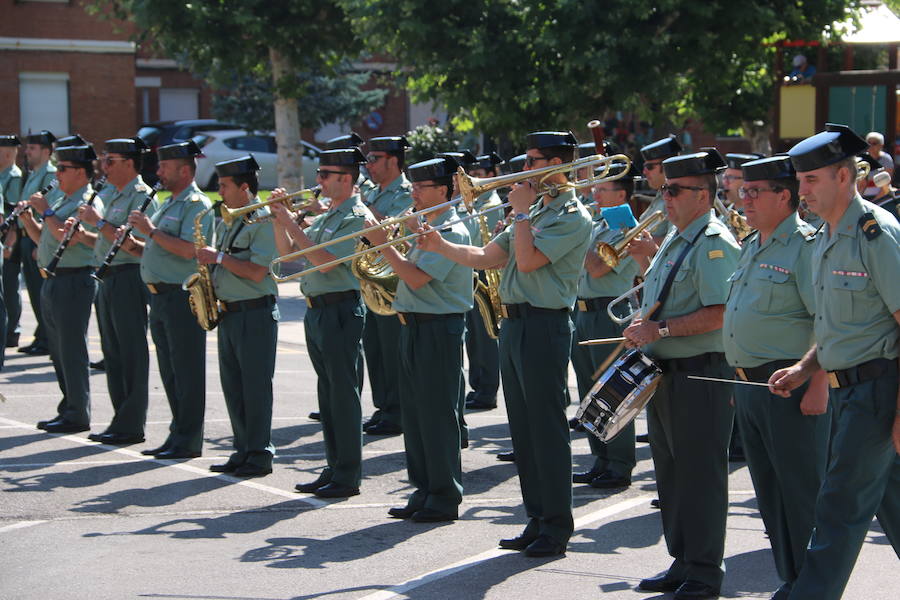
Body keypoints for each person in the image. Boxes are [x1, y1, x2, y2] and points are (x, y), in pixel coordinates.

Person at [418, 130, 593, 557]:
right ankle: (536, 517)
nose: (525, 169)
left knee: (547, 431)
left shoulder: (573, 216)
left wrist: (519, 216)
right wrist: (441, 244)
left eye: (533, 161)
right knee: (524, 432)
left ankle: (556, 525)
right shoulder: (532, 210)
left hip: (545, 326)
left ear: (557, 165)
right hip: (513, 326)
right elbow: (485, 258)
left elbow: (530, 262)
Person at [769, 123, 900, 600]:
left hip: (878, 390)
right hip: (852, 389)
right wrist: (806, 368)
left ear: (844, 178)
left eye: (811, 181)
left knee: (840, 503)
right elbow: (840, 326)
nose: (801, 191)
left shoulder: (874, 235)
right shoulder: (827, 236)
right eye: (799, 181)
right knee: (892, 500)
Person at [624, 149, 740, 599]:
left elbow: (722, 312)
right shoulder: (678, 237)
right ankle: (683, 559)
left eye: (674, 190)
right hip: (668, 370)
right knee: (671, 473)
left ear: (704, 195)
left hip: (701, 372)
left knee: (700, 474)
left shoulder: (713, 240)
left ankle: (706, 571)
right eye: (664, 189)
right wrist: (642, 326)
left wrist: (662, 328)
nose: (665, 197)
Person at [722, 155, 831, 600]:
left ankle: (814, 587)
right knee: (769, 493)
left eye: (753, 191)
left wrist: (818, 384)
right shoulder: (753, 244)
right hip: (751, 385)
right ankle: (792, 580)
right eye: (742, 190)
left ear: (784, 196)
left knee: (801, 493)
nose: (742, 198)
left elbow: (828, 320)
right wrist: (738, 380)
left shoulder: (805, 247)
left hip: (792, 386)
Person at [365, 155, 473, 522]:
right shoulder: (424, 227)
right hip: (413, 325)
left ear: (442, 191)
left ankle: (444, 495)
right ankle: (424, 488)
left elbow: (414, 278)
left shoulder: (452, 232)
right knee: (415, 414)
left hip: (438, 328)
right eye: (412, 186)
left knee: (437, 415)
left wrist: (384, 245)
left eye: (420, 187)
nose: (413, 192)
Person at [271, 147, 371, 498]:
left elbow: (325, 262)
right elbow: (288, 257)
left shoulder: (355, 216)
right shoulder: (329, 214)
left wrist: (288, 222)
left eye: (325, 174)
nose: (318, 181)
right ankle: (334, 467)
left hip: (341, 309)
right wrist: (277, 220)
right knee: (327, 395)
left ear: (346, 178)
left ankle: (347, 474)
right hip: (318, 310)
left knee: (343, 395)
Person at [128, 140, 212, 460]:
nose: (158, 171)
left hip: (182, 296)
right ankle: (178, 433)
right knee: (170, 371)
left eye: (164, 167)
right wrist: (132, 243)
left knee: (187, 370)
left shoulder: (197, 204)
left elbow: (191, 251)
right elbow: (157, 247)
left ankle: (189, 439)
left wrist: (149, 232)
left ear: (185, 170)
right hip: (159, 298)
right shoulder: (167, 202)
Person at [197, 155, 279, 477]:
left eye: (225, 185)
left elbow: (258, 272)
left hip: (254, 313)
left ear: (244, 187)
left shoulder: (261, 220)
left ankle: (259, 454)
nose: (219, 191)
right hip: (230, 314)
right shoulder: (231, 219)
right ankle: (243, 449)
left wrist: (218, 258)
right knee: (234, 388)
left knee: (255, 388)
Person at [73, 138, 154, 445]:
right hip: (107, 275)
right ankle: (121, 418)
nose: (103, 167)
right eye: (103, 161)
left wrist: (99, 222)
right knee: (113, 353)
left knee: (131, 351)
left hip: (129, 275)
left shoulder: (142, 195)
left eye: (110, 161)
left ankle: (132, 422)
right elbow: (106, 239)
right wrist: (86, 234)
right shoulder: (113, 194)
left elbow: (130, 243)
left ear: (129, 164)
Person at [22, 143, 102, 433]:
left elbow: (63, 233)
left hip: (74, 279)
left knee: (71, 350)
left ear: (80, 172)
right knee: (57, 351)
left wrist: (43, 211)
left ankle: (78, 412)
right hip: (53, 279)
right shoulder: (62, 197)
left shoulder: (88, 200)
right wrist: (28, 219)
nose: (57, 173)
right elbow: (45, 235)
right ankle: (68, 406)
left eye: (63, 169)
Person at [571, 162, 641, 490]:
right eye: (595, 188)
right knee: (588, 391)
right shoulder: (598, 225)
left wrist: (578, 232)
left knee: (612, 390)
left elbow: (598, 269)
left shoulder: (628, 228)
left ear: (622, 194)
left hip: (609, 315)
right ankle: (600, 457)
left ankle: (620, 461)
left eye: (602, 189)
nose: (594, 193)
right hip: (584, 313)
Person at [360, 135, 412, 436]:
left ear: (393, 160)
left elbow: (395, 228)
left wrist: (362, 209)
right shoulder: (374, 192)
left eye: (374, 158)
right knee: (375, 350)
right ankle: (384, 407)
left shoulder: (405, 192)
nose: (369, 165)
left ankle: (398, 410)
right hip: (371, 281)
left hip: (393, 280)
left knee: (392, 351)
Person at [461, 152, 504, 411]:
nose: (474, 178)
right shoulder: (476, 203)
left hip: (485, 272)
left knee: (485, 335)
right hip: (473, 270)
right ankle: (478, 385)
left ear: (491, 176)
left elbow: (478, 238)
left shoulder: (489, 205)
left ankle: (487, 389)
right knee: (474, 336)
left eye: (479, 174)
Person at [16, 130, 57, 356]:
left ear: (46, 151)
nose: (27, 151)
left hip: (37, 238)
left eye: (32, 148)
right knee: (34, 291)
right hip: (27, 236)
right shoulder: (34, 173)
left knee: (41, 292)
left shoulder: (50, 174)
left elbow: (47, 208)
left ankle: (48, 338)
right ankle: (42, 336)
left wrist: (41, 244)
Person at [0, 135, 23, 363]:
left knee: (9, 285)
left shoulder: (13, 176)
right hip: (5, 236)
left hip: (9, 237)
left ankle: (12, 330)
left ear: (7, 153)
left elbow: (14, 214)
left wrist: (9, 243)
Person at [638, 135, 681, 245]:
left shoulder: (679, 198)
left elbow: (677, 241)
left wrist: (637, 241)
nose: (644, 172)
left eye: (650, 167)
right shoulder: (660, 193)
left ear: (667, 166)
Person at [863, 132, 894, 198]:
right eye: (868, 143)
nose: (870, 146)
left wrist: (875, 201)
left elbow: (886, 184)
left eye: (874, 143)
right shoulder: (861, 158)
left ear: (881, 145)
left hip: (880, 199)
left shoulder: (886, 159)